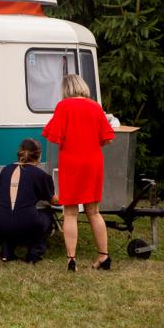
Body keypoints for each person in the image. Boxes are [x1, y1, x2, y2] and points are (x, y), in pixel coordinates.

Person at [42, 74, 114, 271]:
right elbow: (107, 138)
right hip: (93, 162)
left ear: (65, 89)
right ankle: (103, 257)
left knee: (70, 212)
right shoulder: (95, 107)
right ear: (82, 86)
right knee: (94, 211)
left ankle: (71, 258)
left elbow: (52, 136)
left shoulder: (63, 107)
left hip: (71, 162)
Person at [0, 139, 58, 263]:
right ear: (39, 155)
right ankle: (34, 254)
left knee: (11, 215)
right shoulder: (41, 175)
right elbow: (54, 201)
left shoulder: (5, 169)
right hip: (26, 223)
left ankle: (7, 252)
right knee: (47, 216)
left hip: (0, 222)